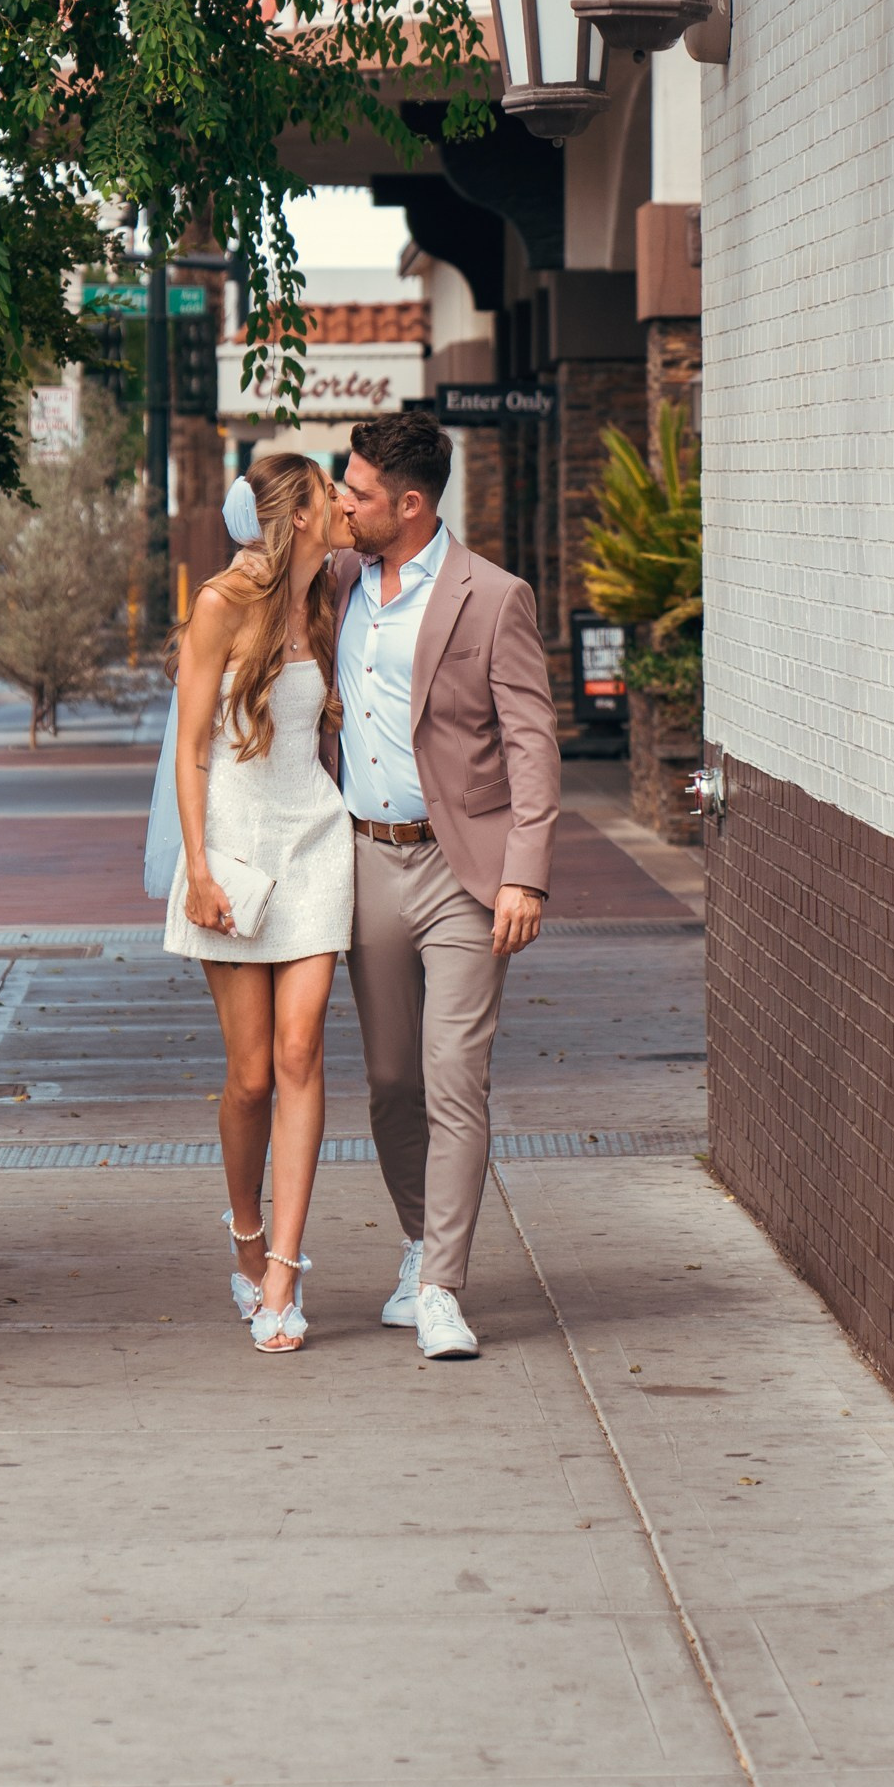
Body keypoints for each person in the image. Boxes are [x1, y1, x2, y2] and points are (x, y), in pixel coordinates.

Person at [333, 413, 561, 1361]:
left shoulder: (493, 597)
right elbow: (242, 518)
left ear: (411, 505)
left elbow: (532, 740)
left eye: (357, 493)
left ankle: (440, 1289)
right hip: (362, 862)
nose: (342, 503)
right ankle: (420, 1237)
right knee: (391, 1082)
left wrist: (526, 876)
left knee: (453, 1081)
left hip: (463, 869)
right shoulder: (336, 580)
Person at [166, 455, 355, 1352]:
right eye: (332, 495)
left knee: (300, 1049)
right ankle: (246, 1235)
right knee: (248, 1077)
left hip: (316, 841)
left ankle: (284, 1270)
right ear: (298, 516)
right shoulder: (220, 605)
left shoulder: (330, 595)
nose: (344, 506)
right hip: (235, 852)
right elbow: (191, 747)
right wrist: (199, 869)